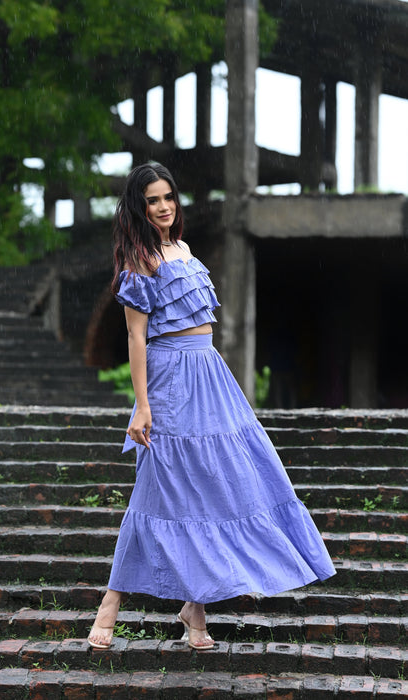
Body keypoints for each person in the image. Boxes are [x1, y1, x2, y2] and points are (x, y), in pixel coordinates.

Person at [87, 163, 336, 650]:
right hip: (170, 377)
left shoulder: (183, 249)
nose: (163, 207)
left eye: (168, 198)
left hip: (210, 373)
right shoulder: (138, 259)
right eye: (152, 200)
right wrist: (141, 405)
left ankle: (194, 612)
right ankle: (110, 603)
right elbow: (136, 338)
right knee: (159, 486)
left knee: (215, 486)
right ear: (138, 206)